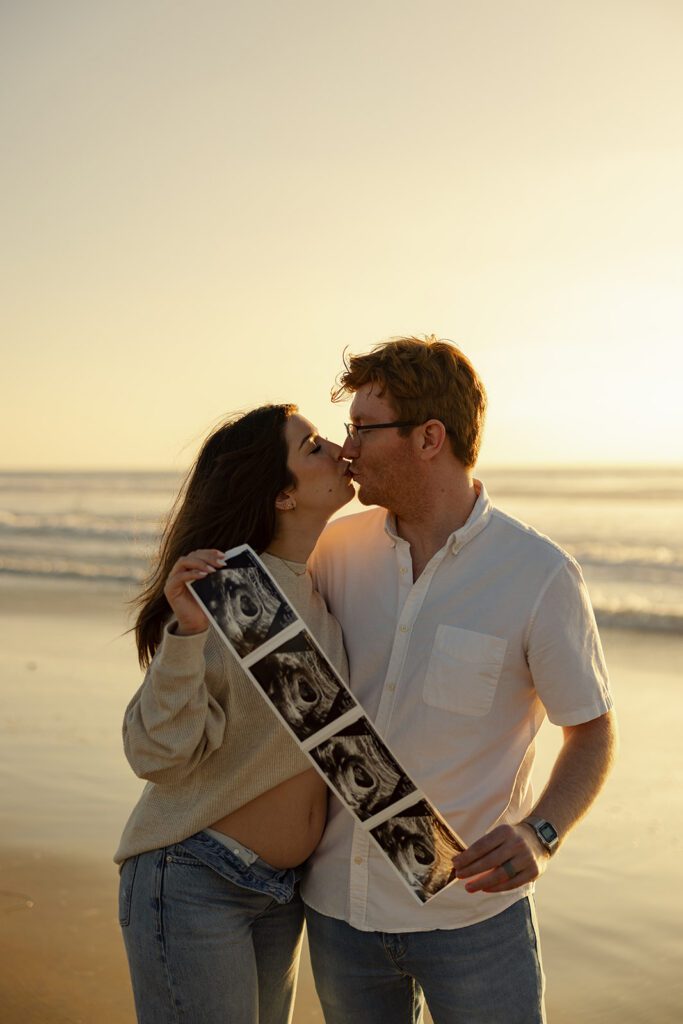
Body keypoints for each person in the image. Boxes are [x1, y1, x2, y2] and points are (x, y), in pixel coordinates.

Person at [302, 336, 618, 1024]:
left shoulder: (538, 574)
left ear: (428, 438)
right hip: (336, 912)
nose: (346, 448)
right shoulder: (332, 551)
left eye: (363, 428)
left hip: (474, 921)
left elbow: (591, 732)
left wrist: (541, 834)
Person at [115, 403, 354, 1024]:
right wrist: (186, 635)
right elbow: (155, 755)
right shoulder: (229, 593)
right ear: (281, 495)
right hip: (197, 877)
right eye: (313, 447)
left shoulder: (319, 589)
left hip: (282, 894)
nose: (339, 448)